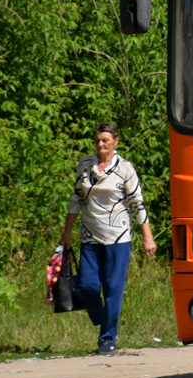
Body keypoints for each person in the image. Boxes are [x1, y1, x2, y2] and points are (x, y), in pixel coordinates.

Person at [60, 123, 156, 354]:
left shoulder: (125, 168)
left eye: (105, 140)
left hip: (118, 236)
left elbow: (137, 203)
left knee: (113, 287)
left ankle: (107, 339)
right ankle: (105, 320)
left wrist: (147, 237)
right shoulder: (85, 164)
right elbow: (76, 198)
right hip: (89, 235)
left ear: (116, 141)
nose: (100, 144)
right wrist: (66, 233)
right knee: (87, 285)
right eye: (97, 140)